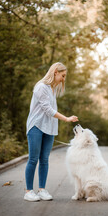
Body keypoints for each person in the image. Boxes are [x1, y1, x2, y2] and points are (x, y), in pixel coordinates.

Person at [24, 62, 78, 202]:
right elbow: (48, 110)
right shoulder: (41, 87)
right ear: (55, 72)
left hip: (49, 128)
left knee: (44, 160)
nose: (63, 79)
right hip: (36, 126)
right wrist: (66, 118)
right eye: (63, 75)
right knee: (33, 159)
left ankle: (42, 189)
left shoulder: (52, 89)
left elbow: (49, 112)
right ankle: (29, 191)